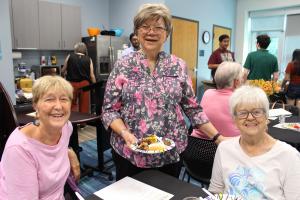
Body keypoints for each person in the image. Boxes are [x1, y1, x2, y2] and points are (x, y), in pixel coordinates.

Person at [101, 3, 225, 181]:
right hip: (129, 152)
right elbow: (109, 110)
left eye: (158, 27)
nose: (151, 32)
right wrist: (124, 133)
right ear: (137, 32)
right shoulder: (123, 65)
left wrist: (217, 137)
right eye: (145, 26)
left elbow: (193, 109)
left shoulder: (178, 65)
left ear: (166, 34)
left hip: (171, 152)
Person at [209, 85, 300, 199]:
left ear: (267, 116)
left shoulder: (289, 156)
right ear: (234, 119)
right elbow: (215, 192)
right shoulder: (224, 149)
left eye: (257, 112)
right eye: (242, 113)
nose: (250, 118)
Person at [0, 76, 80, 200]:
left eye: (64, 99)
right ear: (35, 105)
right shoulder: (19, 149)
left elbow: (56, 149)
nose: (58, 106)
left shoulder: (66, 128)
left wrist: (69, 152)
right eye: (49, 99)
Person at [192, 61, 242, 139]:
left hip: (197, 145)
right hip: (225, 147)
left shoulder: (207, 93)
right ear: (236, 82)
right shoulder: (240, 100)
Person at [62, 42, 96, 113]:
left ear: (76, 49)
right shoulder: (89, 59)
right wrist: (94, 86)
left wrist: (63, 75)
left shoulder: (70, 56)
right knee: (84, 105)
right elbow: (92, 75)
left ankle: (71, 121)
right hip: (85, 85)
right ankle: (83, 122)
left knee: (71, 104)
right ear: (85, 50)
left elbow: (63, 70)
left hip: (71, 84)